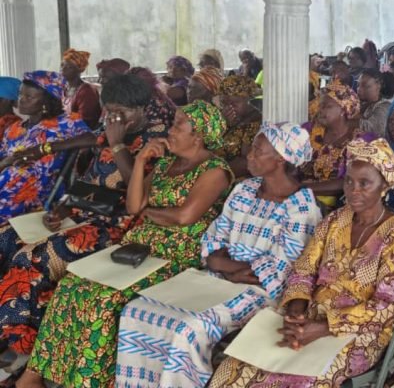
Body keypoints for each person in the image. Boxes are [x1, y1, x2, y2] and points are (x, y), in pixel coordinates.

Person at [19, 100, 234, 388]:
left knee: (103, 300)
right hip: (139, 247)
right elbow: (134, 206)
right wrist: (143, 159)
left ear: (199, 133)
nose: (170, 129)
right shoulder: (167, 163)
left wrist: (147, 212)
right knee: (71, 286)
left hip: (176, 254)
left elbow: (184, 217)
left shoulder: (215, 170)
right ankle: (32, 377)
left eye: (178, 124)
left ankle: (86, 381)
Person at [115, 122, 322, 388]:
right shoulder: (244, 189)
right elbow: (215, 237)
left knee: (188, 329)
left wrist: (230, 267)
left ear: (280, 159)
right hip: (218, 277)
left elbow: (281, 269)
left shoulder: (301, 207)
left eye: (257, 151)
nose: (249, 155)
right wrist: (222, 264)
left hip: (259, 293)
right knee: (136, 311)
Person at [209, 138, 394, 388]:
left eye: (365, 183)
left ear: (384, 185)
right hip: (310, 316)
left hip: (358, 333)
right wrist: (296, 310)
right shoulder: (334, 221)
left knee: (301, 379)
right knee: (239, 364)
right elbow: (304, 269)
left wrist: (324, 327)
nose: (353, 190)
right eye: (349, 181)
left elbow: (386, 307)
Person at [0, 74, 168, 365]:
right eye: (109, 110)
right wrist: (64, 207)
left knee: (32, 259)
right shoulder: (107, 133)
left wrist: (117, 146)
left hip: (116, 227)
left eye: (122, 112)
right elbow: (91, 178)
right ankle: (10, 328)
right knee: (3, 238)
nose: (114, 118)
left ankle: (25, 345)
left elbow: (137, 196)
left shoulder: (157, 141)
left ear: (142, 109)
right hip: (83, 214)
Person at [0, 72, 90, 222]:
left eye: (29, 97)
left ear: (46, 101)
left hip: (33, 193)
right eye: (21, 94)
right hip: (5, 185)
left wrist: (46, 148)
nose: (21, 100)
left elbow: (93, 139)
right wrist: (5, 162)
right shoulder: (14, 129)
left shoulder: (65, 123)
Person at [300, 81, 371, 208]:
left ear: (344, 109)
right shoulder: (309, 130)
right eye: (320, 105)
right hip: (299, 196)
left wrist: (301, 188)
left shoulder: (358, 141)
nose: (320, 110)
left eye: (327, 106)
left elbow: (348, 181)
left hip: (335, 205)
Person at [217, 75, 262, 178]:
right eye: (224, 102)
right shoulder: (221, 117)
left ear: (248, 100)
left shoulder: (255, 124)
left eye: (234, 103)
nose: (229, 107)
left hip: (231, 178)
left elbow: (246, 162)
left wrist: (216, 176)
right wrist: (222, 124)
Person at [60, 48, 101, 129]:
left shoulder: (87, 91)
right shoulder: (64, 88)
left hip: (83, 135)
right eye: (62, 65)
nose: (63, 69)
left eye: (69, 67)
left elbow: (86, 123)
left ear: (79, 70)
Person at [357, 68, 394, 137]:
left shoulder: (385, 106)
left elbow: (374, 130)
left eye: (365, 86)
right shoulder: (368, 104)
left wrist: (350, 121)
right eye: (358, 85)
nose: (359, 89)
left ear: (379, 86)